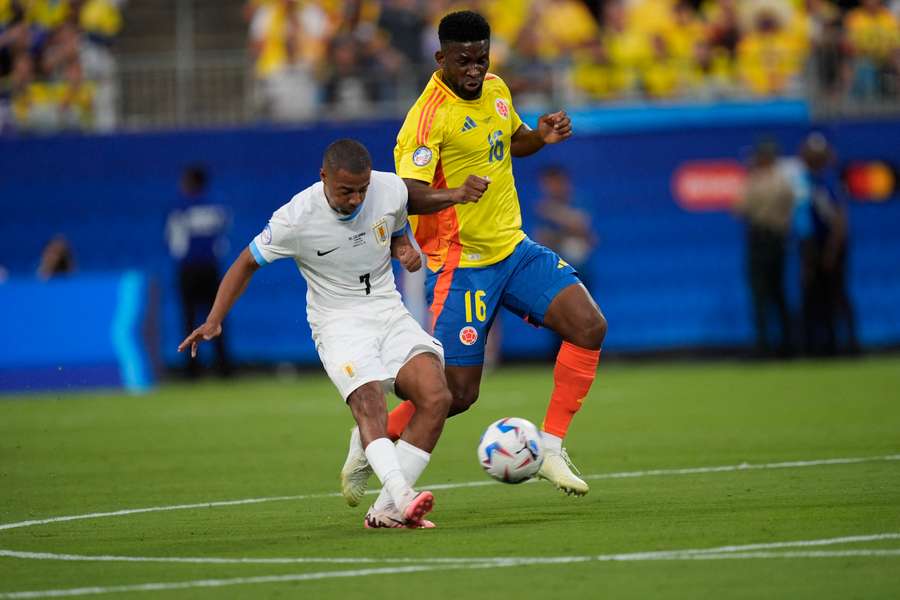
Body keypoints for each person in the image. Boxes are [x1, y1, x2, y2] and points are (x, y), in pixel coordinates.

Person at [340, 10, 607, 502]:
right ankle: (370, 438)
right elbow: (408, 194)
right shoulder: (427, 117)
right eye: (463, 61)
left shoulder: (498, 90)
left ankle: (550, 448)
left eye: (481, 59)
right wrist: (455, 193)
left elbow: (511, 140)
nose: (474, 70)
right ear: (440, 58)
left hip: (514, 249)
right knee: (456, 394)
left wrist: (540, 137)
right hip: (461, 264)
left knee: (589, 326)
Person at [179, 139, 452, 529]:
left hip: (387, 309)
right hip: (338, 322)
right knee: (370, 404)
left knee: (437, 395)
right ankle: (401, 496)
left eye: (362, 189)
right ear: (323, 177)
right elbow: (246, 262)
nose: (356, 199)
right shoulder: (295, 217)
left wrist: (402, 247)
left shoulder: (389, 188)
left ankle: (387, 508)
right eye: (346, 191)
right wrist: (214, 319)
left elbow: (393, 225)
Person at [166, 165, 232, 378]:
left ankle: (191, 370)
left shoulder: (180, 207)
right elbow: (224, 237)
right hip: (211, 268)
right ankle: (224, 368)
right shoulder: (216, 206)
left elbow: (173, 241)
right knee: (217, 316)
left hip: (189, 269)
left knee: (189, 317)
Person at [733, 139, 795, 358]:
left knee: (761, 294)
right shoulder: (785, 181)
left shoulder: (756, 180)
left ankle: (764, 346)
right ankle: (788, 345)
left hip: (760, 239)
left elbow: (739, 209)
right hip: (778, 239)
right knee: (778, 294)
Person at [799, 133, 859, 356]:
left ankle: (848, 344)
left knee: (837, 294)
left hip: (830, 245)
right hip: (814, 244)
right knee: (817, 296)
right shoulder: (809, 181)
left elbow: (839, 221)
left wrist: (832, 251)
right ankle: (822, 345)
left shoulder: (829, 181)